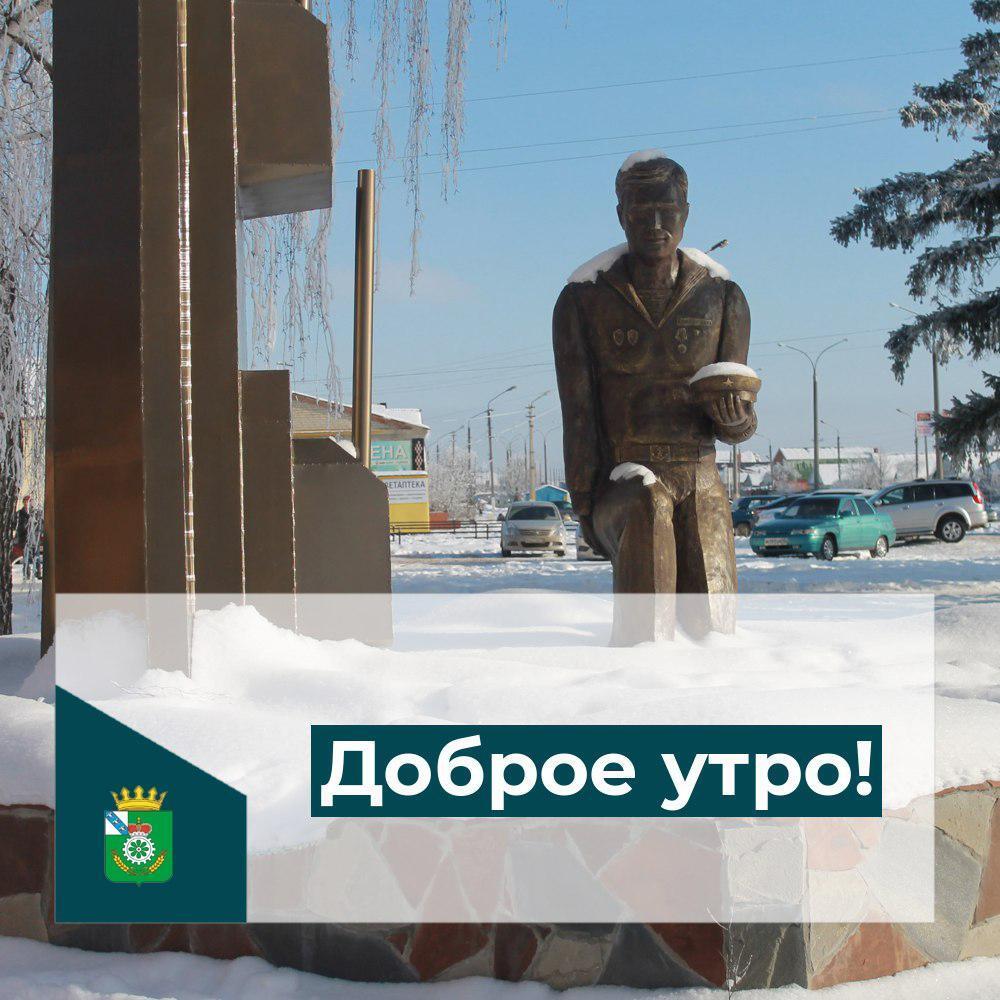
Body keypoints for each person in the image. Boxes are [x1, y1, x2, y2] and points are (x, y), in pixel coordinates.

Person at [552, 152, 758, 639]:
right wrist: (585, 506)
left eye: (668, 210)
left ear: (686, 212)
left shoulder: (723, 297)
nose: (657, 224)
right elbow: (578, 413)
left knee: (712, 599)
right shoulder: (584, 299)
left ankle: (717, 673)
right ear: (621, 214)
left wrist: (736, 420)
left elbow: (739, 418)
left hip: (699, 471)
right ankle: (643, 663)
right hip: (624, 480)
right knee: (648, 504)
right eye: (642, 212)